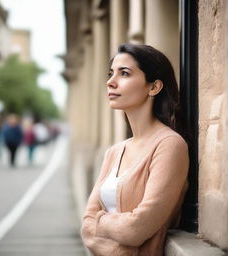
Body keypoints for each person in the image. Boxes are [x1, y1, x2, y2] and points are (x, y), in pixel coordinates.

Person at [81, 43, 189, 256]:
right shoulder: (114, 152)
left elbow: (137, 229)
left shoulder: (169, 145)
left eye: (124, 73)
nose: (110, 82)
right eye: (111, 73)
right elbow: (86, 227)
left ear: (154, 87)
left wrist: (100, 221)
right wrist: (110, 229)